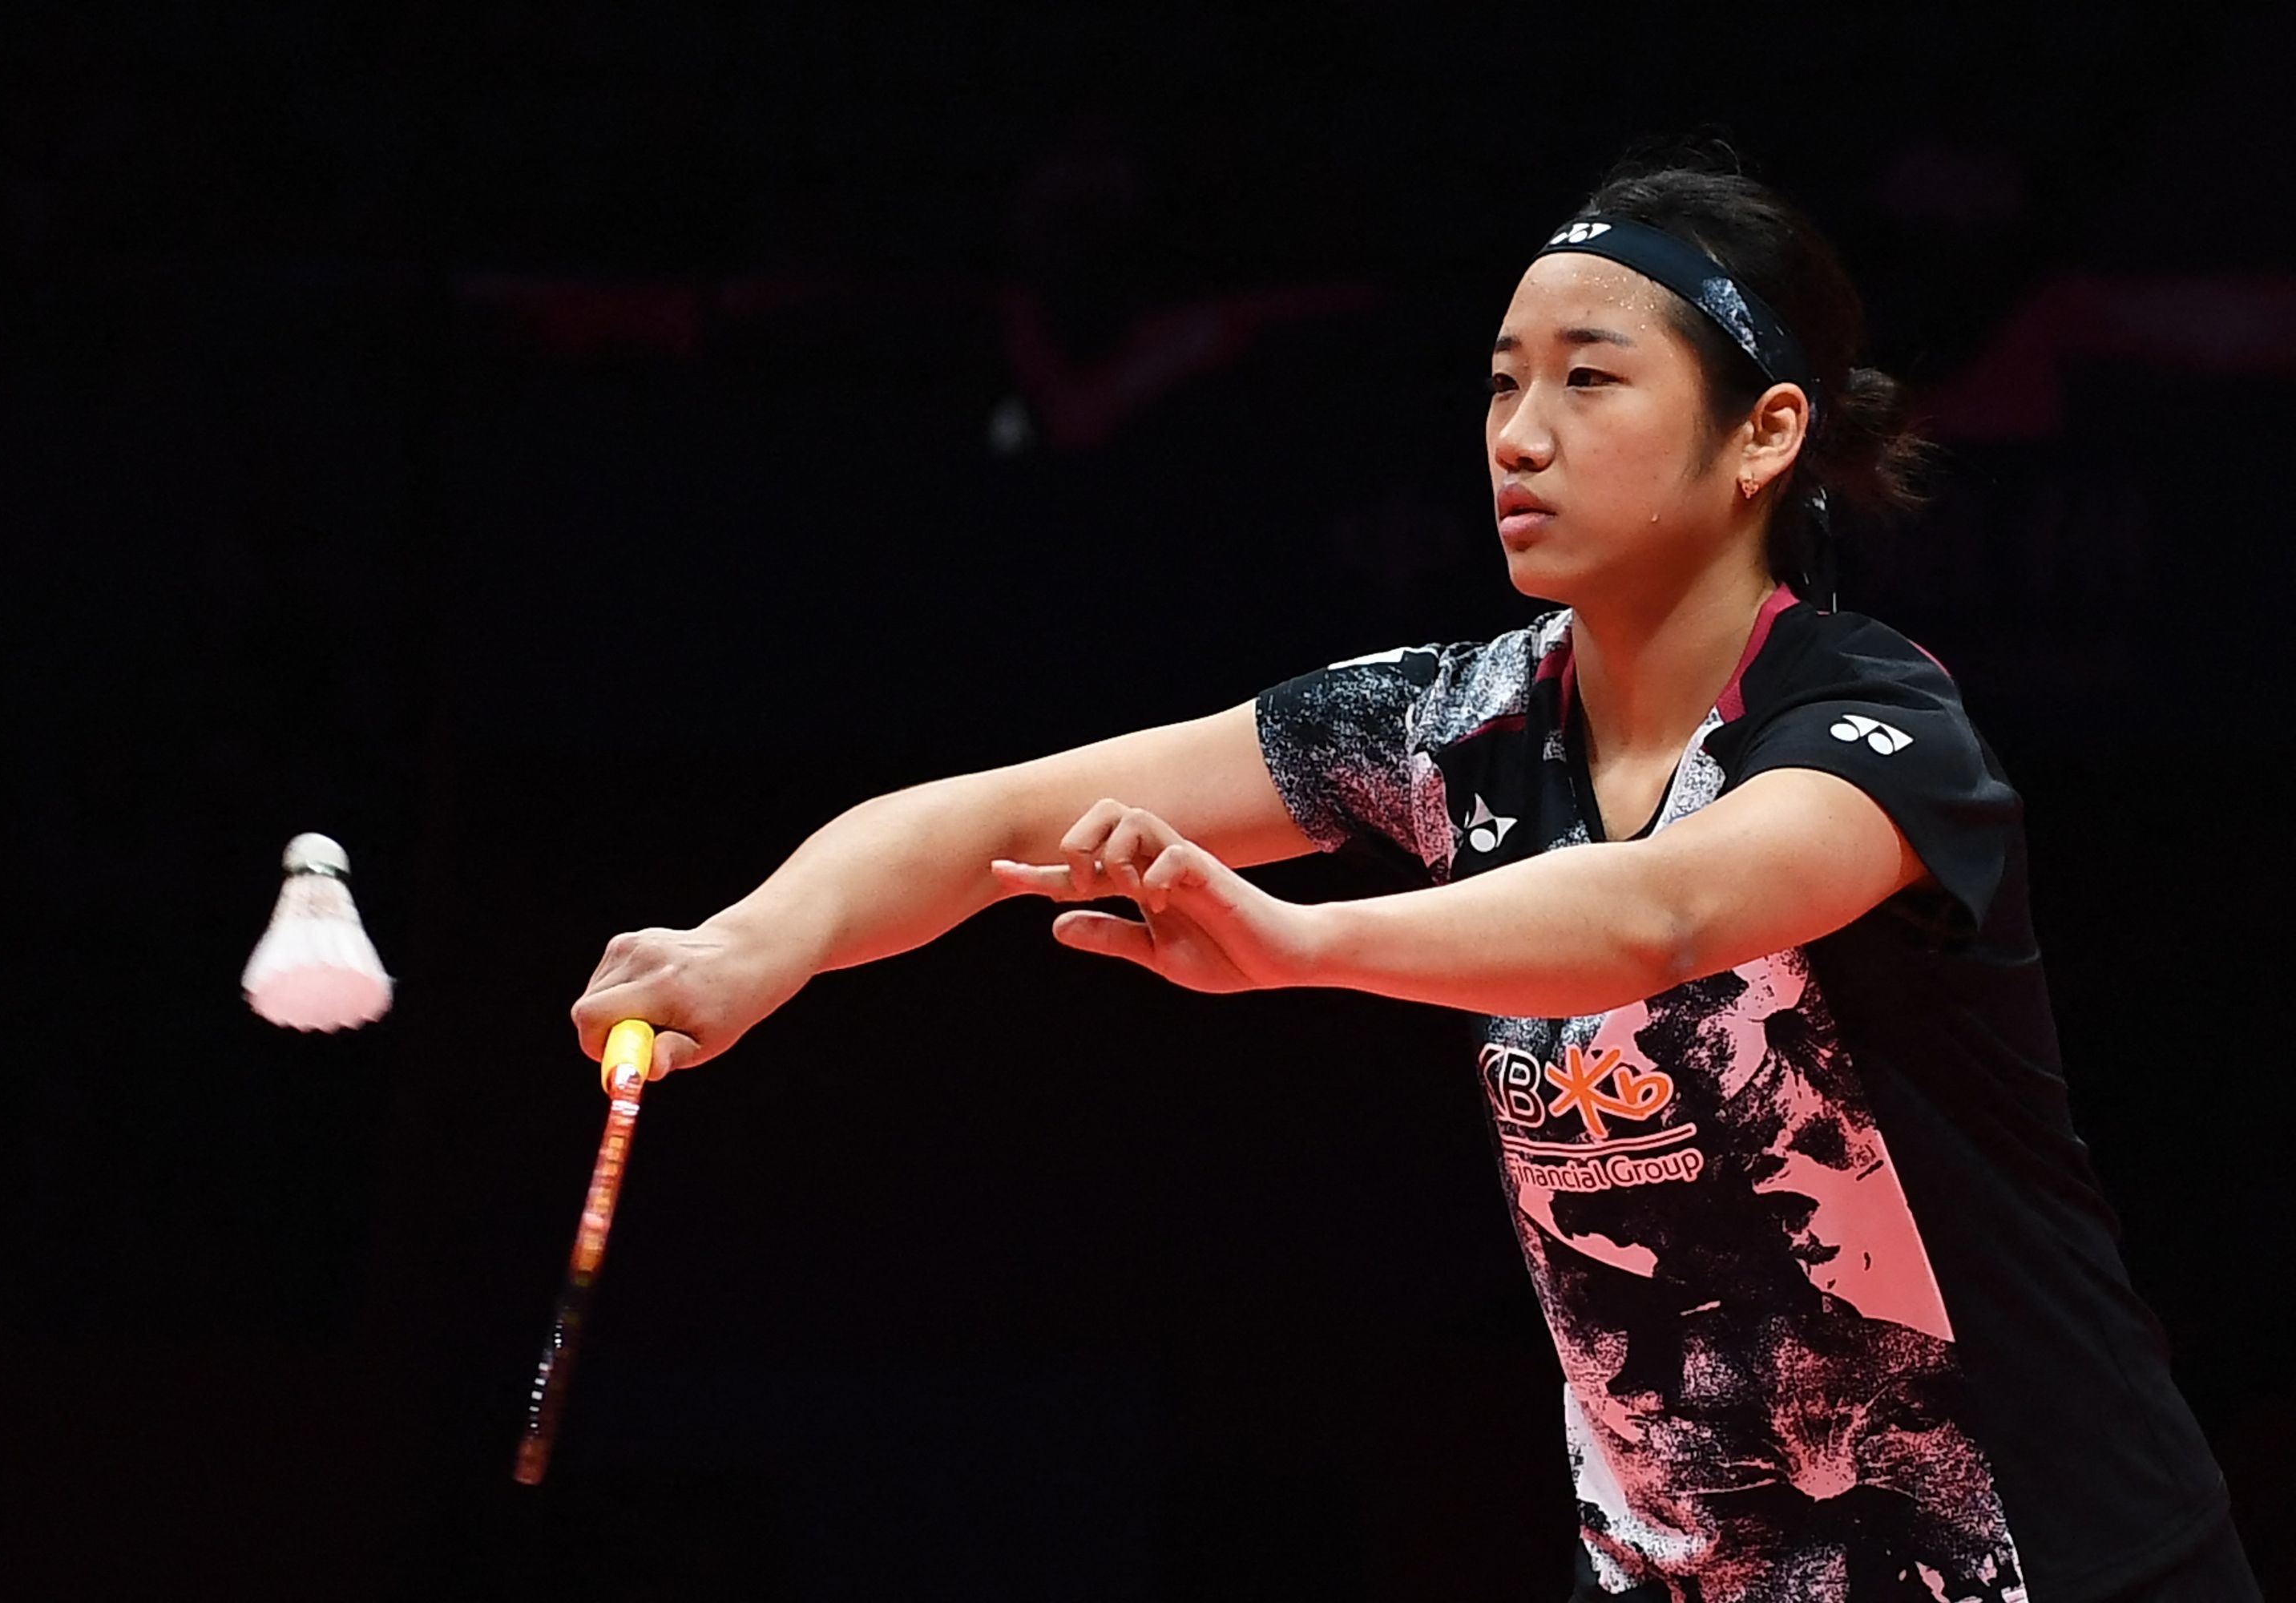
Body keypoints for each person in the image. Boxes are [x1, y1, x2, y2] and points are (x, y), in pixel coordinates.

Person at [571, 157, 2258, 1602]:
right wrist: (748, 947)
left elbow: (1661, 909)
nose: (1517, 434)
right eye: (1501, 380)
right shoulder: (1455, 725)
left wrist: (1295, 941)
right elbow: (982, 816)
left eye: (1590, 381)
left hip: (2055, 1557)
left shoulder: (1871, 721)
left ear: (1763, 438)